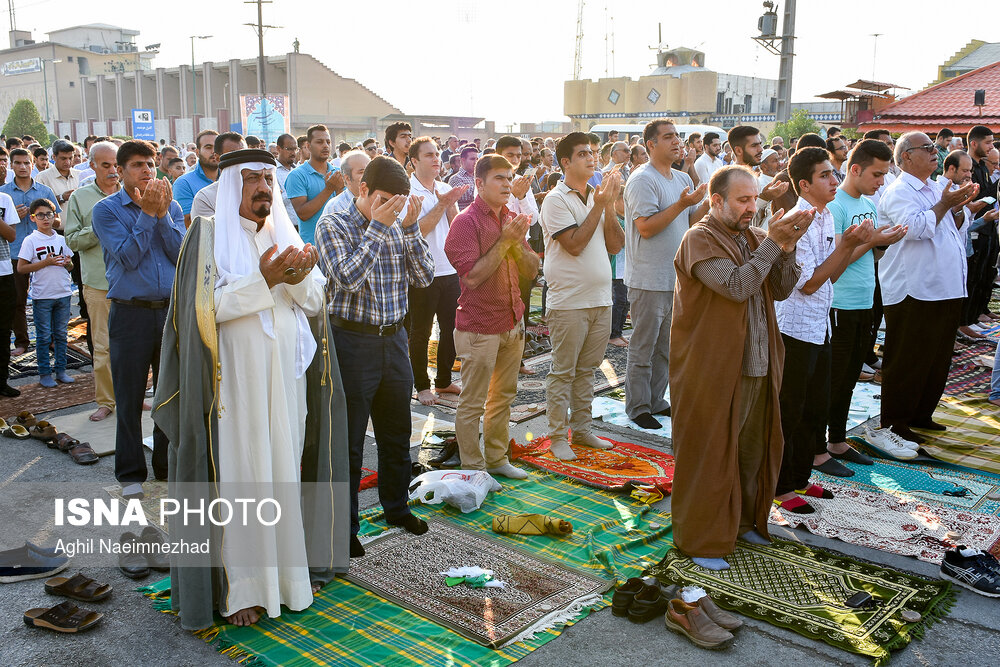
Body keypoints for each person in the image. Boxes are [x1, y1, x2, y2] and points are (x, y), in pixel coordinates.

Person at [153, 147, 348, 630]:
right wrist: (262, 279)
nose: (263, 187)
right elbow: (200, 311)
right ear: (230, 184)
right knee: (245, 480)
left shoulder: (283, 230)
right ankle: (242, 590)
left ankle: (287, 580)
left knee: (282, 472)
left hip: (285, 381)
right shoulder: (206, 236)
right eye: (252, 179)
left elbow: (316, 299)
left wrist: (298, 278)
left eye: (268, 178)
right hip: (233, 389)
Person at [671, 166, 809, 570]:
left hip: (757, 361)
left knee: (752, 450)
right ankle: (701, 538)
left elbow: (780, 289)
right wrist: (773, 245)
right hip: (712, 366)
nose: (753, 208)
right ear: (716, 201)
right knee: (710, 453)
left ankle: (744, 521)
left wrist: (788, 245)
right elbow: (735, 286)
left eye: (754, 199)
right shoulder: (698, 238)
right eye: (743, 200)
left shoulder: (752, 237)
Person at [314, 156, 433, 557]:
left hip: (394, 339)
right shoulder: (333, 224)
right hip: (352, 342)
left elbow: (424, 277)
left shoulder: (399, 223)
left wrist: (411, 227)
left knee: (397, 434)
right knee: (347, 443)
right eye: (383, 200)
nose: (390, 209)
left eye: (396, 203)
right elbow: (346, 279)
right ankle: (344, 528)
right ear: (361, 188)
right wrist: (379, 229)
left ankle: (396, 508)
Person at [773, 147, 872, 515]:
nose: (834, 181)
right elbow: (809, 285)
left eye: (834, 173)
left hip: (819, 323)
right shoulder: (800, 220)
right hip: (795, 328)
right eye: (825, 176)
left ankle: (800, 477)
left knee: (814, 409)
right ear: (804, 184)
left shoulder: (826, 215)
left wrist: (853, 245)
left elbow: (829, 276)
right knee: (789, 410)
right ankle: (780, 485)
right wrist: (849, 244)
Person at [92, 140, 185, 499]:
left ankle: (165, 468)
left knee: (167, 395)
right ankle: (131, 473)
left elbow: (179, 252)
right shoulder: (107, 211)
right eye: (137, 165)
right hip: (129, 314)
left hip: (168, 312)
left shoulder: (172, 206)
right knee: (129, 397)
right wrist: (148, 214)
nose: (147, 170)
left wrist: (161, 215)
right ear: (120, 171)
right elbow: (128, 257)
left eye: (150, 163)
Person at [875, 134, 979, 445]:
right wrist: (946, 203)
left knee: (936, 357)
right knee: (908, 357)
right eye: (928, 148)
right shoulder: (897, 192)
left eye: (935, 148)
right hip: (914, 288)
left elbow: (952, 228)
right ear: (906, 157)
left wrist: (958, 206)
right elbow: (916, 229)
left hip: (945, 285)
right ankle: (895, 421)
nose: (936, 153)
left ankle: (921, 413)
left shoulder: (935, 187)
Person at [444, 154, 539, 479]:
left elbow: (531, 269)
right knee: (472, 402)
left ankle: (497, 460)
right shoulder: (465, 223)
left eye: (509, 178)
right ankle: (473, 469)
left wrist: (520, 246)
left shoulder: (511, 216)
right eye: (499, 178)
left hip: (512, 321)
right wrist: (506, 242)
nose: (507, 184)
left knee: (503, 397)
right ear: (479, 183)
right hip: (480, 326)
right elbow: (471, 277)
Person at [538, 133, 624, 459]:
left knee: (587, 370)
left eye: (592, 152)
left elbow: (615, 246)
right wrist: (599, 206)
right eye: (582, 154)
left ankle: (584, 431)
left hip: (601, 299)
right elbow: (574, 244)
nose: (591, 158)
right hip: (569, 302)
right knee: (563, 372)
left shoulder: (596, 197)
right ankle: (558, 436)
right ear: (565, 162)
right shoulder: (556, 199)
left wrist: (609, 208)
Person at [826, 140, 908, 461]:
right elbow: (834, 263)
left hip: (864, 300)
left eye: (885, 174)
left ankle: (837, 440)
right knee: (835, 378)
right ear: (855, 169)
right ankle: (821, 446)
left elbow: (866, 254)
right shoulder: (837, 206)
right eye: (876, 174)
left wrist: (882, 242)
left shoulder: (869, 204)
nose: (881, 182)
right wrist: (872, 240)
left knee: (850, 378)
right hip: (840, 305)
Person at [623, 120, 709, 429]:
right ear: (650, 144)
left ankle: (657, 400)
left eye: (678, 137)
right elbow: (646, 228)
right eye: (668, 137)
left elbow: (689, 220)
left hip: (676, 276)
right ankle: (637, 406)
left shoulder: (682, 177)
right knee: (643, 347)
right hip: (648, 278)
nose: (677, 142)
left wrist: (706, 202)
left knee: (667, 347)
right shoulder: (642, 180)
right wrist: (683, 203)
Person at [405, 137, 468, 406]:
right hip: (421, 272)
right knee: (420, 332)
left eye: (437, 155)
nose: (435, 160)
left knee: (450, 327)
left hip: (448, 269)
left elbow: (456, 226)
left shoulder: (443, 187)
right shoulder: (407, 191)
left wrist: (451, 204)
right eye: (428, 155)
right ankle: (421, 385)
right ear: (414, 161)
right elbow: (414, 232)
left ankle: (443, 380)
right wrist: (442, 204)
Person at [64, 141, 121, 421]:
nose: (112, 171)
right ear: (92, 165)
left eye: (115, 165)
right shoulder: (81, 197)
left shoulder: (133, 194)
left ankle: (133, 396)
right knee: (103, 346)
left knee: (134, 345)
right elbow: (72, 239)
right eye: (106, 165)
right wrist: (99, 226)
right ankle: (106, 401)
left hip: (131, 282)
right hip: (98, 282)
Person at [0, 148, 60, 357]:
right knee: (17, 299)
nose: (23, 167)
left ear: (33, 164)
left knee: (51, 296)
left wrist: (43, 218)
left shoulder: (44, 191)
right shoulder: (5, 193)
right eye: (18, 163)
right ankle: (22, 341)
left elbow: (58, 220)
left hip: (45, 251)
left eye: (27, 163)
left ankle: (52, 338)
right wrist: (14, 216)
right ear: (11, 166)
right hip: (16, 252)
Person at [16, 198, 74, 388]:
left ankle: (61, 370)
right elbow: (22, 268)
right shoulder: (30, 240)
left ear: (54, 216)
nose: (45, 219)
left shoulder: (60, 239)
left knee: (61, 334)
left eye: (49, 214)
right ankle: (44, 373)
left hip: (63, 293)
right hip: (42, 296)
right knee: (43, 336)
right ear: (33, 218)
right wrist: (45, 263)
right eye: (40, 215)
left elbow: (71, 266)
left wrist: (67, 263)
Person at [286, 125, 344, 244]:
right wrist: (329, 189)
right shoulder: (297, 175)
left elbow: (347, 208)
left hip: (339, 245)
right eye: (319, 142)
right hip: (313, 248)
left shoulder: (338, 172)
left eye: (328, 142)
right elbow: (303, 213)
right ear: (308, 146)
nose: (325, 146)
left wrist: (339, 190)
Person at [728, 126, 789, 226]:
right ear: (738, 151)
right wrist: (764, 198)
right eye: (754, 146)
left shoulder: (752, 177)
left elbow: (754, 222)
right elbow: (734, 218)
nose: (760, 149)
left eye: (760, 144)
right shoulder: (729, 179)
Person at [189, 133, 249, 223]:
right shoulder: (205, 198)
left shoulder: (259, 190)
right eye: (234, 155)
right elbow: (209, 234)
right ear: (217, 158)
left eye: (244, 154)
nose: (240, 160)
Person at [173, 129, 219, 226]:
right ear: (197, 152)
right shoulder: (183, 183)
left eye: (217, 147)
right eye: (208, 147)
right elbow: (190, 223)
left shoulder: (231, 179)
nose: (214, 152)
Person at [0, 183, 18, 396]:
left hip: (3, 273)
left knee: (3, 330)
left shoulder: (4, 199)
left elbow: (11, 235)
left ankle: (2, 381)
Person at [321, 150, 371, 217]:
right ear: (347, 178)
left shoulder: (378, 200)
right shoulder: (335, 207)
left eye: (370, 171)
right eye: (361, 172)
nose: (369, 176)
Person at [447, 145, 478, 210]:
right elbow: (465, 195)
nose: (476, 162)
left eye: (477, 159)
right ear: (463, 160)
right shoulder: (456, 178)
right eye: (472, 159)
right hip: (464, 217)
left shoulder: (478, 176)